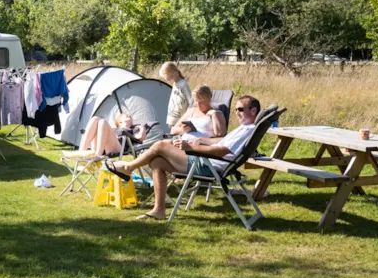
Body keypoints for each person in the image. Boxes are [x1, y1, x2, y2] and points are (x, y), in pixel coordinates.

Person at [104, 95, 261, 221]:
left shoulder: (248, 130)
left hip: (208, 166)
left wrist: (191, 148)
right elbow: (221, 141)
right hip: (207, 161)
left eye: (240, 109)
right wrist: (201, 140)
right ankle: (159, 210)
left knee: (160, 145)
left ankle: (128, 167)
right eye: (236, 109)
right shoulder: (244, 128)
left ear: (253, 111)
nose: (237, 112)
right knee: (157, 162)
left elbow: (221, 151)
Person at [76, 114, 153, 156]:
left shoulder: (133, 130)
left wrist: (142, 128)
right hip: (102, 146)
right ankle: (81, 152)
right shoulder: (112, 129)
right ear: (120, 122)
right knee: (95, 118)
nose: (128, 115)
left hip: (119, 147)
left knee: (102, 122)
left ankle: (97, 156)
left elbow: (140, 138)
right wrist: (112, 135)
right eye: (125, 115)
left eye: (129, 116)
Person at [160, 62, 191, 128]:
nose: (165, 78)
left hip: (181, 120)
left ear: (172, 72)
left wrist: (186, 117)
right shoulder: (175, 84)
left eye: (165, 75)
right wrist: (170, 120)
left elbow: (190, 101)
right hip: (173, 120)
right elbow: (173, 102)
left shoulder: (183, 85)